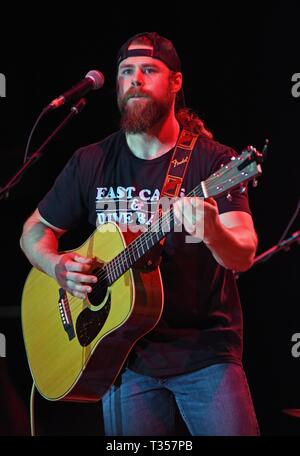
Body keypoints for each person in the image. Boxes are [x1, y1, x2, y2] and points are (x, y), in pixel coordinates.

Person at [20, 32, 260, 436]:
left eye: (149, 70)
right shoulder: (91, 160)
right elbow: (33, 232)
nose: (136, 79)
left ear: (175, 83)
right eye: (127, 72)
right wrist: (58, 265)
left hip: (205, 355)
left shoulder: (214, 161)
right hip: (123, 354)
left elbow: (244, 254)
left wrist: (213, 231)